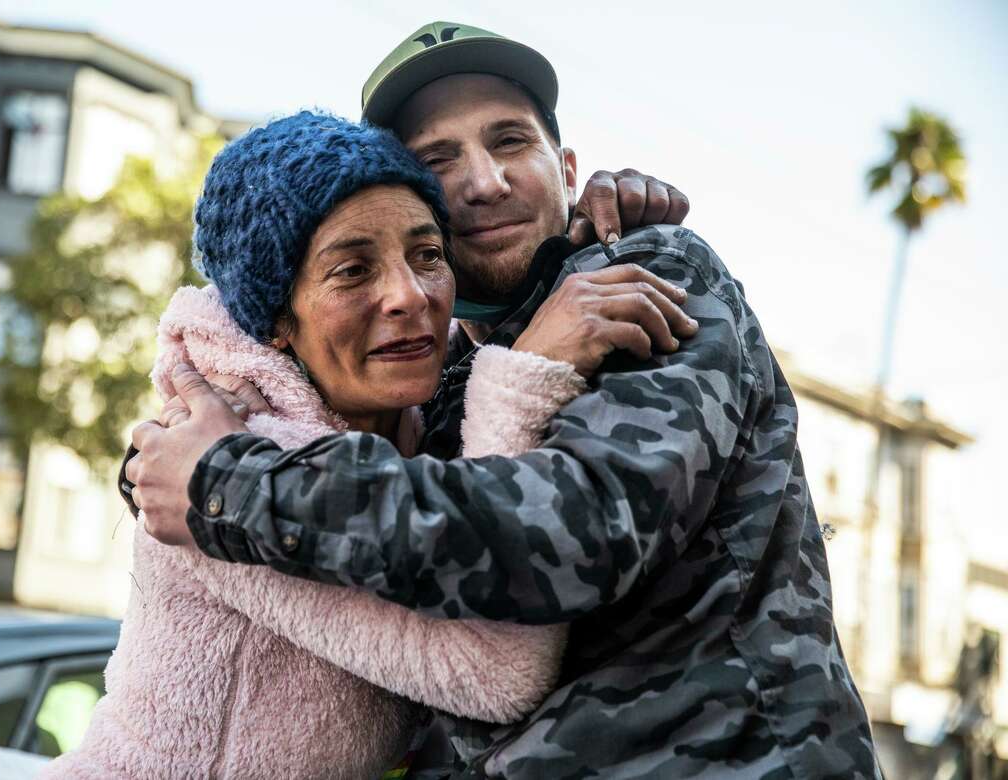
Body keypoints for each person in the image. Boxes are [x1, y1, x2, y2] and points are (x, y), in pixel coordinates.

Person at [127, 22, 883, 779]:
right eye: (439, 159)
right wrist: (162, 444)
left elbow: (576, 532)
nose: (485, 182)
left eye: (512, 141)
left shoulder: (647, 277)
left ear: (568, 169)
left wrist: (225, 483)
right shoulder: (441, 370)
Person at [56, 112, 691, 779]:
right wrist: (524, 374)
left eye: (427, 255)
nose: (408, 296)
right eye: (353, 271)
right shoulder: (225, 463)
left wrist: (584, 221)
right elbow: (492, 672)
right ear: (276, 318)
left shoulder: (408, 412)